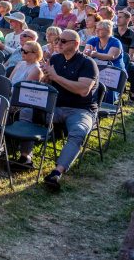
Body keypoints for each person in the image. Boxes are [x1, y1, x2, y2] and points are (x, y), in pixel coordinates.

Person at [36, 29, 99, 191]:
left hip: (81, 109)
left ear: (76, 44)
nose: (59, 43)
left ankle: (57, 172)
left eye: (63, 41)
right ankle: (25, 158)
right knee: (26, 111)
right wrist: (46, 77)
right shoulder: (56, 59)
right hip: (56, 106)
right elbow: (48, 85)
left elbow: (83, 90)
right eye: (58, 40)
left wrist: (56, 77)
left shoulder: (87, 63)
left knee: (78, 132)